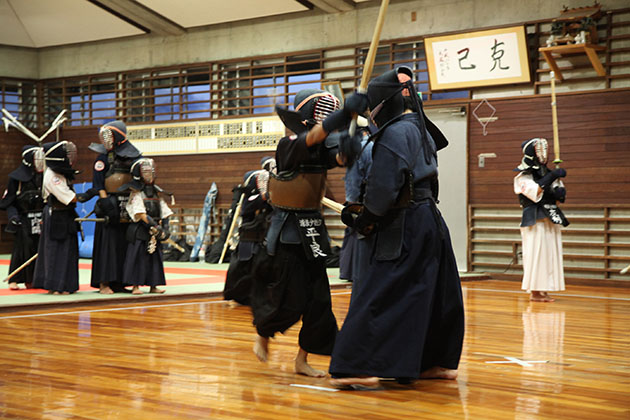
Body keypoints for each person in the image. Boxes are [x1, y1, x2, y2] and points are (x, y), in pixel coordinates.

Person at [327, 67, 465, 389]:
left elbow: (383, 189)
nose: (371, 112)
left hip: (403, 222)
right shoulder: (418, 127)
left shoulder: (393, 134)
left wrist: (365, 219)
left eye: (373, 105)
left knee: (377, 291)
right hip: (429, 219)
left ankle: (358, 365)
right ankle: (435, 362)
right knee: (429, 292)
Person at [250, 88, 358, 378]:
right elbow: (311, 138)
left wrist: (348, 145)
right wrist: (343, 115)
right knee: (287, 298)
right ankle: (264, 330)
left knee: (320, 300)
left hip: (312, 231)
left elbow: (337, 158)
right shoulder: (289, 145)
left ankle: (302, 360)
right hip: (287, 232)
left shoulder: (321, 146)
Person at [88, 120, 142, 294]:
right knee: (107, 244)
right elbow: (99, 183)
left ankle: (121, 281)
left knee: (124, 243)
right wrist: (106, 203)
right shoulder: (102, 158)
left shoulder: (135, 156)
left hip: (127, 203)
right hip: (109, 203)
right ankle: (104, 283)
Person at [514, 138, 568, 302]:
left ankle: (544, 289)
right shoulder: (523, 176)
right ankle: (535, 292)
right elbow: (535, 191)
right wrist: (551, 177)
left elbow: (557, 199)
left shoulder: (548, 174)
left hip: (550, 217)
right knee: (536, 254)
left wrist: (559, 193)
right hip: (534, 220)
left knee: (549, 254)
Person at [223, 156, 276, 306]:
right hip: (250, 234)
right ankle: (240, 294)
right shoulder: (251, 189)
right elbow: (247, 209)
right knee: (244, 265)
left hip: (266, 234)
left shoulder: (275, 187)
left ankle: (263, 295)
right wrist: (264, 197)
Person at [32, 141, 81, 295]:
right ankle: (56, 285)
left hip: (66, 214)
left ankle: (67, 285)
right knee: (56, 250)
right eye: (66, 153)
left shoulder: (61, 173)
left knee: (68, 250)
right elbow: (69, 198)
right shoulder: (52, 175)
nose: (70, 156)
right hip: (57, 215)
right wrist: (85, 195)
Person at [120, 158, 172, 295]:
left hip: (154, 231)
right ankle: (135, 286)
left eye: (151, 172)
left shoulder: (156, 192)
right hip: (140, 229)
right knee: (137, 258)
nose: (149, 175)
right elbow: (141, 213)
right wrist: (154, 225)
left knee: (155, 259)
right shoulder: (136, 192)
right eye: (146, 172)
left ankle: (153, 285)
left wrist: (165, 228)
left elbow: (164, 210)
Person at [0, 146, 45, 290]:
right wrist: (13, 216)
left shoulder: (45, 175)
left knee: (40, 248)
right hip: (23, 218)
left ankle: (35, 279)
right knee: (22, 249)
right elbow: (10, 201)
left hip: (42, 217)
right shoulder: (16, 178)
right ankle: (14, 278)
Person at [338, 120, 372, 284]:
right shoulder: (377, 143)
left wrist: (350, 203)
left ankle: (352, 273)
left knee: (355, 234)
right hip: (380, 201)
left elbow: (354, 181)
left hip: (362, 203)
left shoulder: (359, 149)